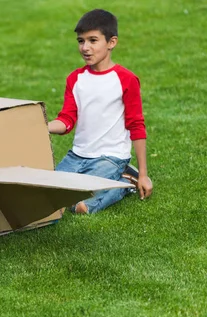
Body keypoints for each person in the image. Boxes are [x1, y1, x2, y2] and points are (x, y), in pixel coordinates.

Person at [48, 9, 153, 214]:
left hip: (110, 157)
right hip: (77, 155)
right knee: (51, 196)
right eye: (81, 41)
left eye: (93, 40)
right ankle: (114, 181)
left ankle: (126, 182)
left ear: (111, 42)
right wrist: (42, 126)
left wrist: (143, 174)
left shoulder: (126, 80)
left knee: (81, 206)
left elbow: (136, 125)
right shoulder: (75, 79)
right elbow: (67, 120)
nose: (85, 48)